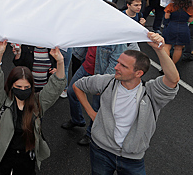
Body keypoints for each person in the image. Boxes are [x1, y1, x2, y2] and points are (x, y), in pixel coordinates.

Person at [73, 33, 179, 174]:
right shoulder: (107, 81)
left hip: (132, 158)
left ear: (138, 73)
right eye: (118, 62)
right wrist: (91, 113)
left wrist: (159, 50)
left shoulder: (151, 93)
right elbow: (78, 86)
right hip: (100, 151)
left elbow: (172, 79)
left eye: (123, 66)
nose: (116, 67)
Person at [0, 40, 66, 174]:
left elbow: (56, 86)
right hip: (2, 157)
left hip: (26, 159)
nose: (22, 90)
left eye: (26, 87)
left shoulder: (37, 103)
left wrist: (60, 62)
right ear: (11, 86)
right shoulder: (2, 101)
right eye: (18, 87)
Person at [162, 0, 193, 64]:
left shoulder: (171, 6)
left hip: (172, 26)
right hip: (184, 27)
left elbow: (166, 17)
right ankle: (173, 64)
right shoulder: (190, 8)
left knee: (167, 46)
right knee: (178, 48)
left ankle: (167, 64)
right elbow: (190, 20)